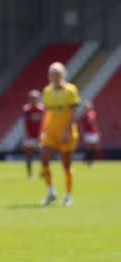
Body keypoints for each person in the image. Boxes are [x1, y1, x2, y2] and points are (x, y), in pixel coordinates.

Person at [39, 62, 80, 206]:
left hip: (66, 133)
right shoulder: (47, 91)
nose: (54, 76)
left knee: (66, 165)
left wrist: (67, 132)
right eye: (51, 73)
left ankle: (68, 195)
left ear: (63, 74)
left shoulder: (71, 90)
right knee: (44, 158)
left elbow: (73, 113)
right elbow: (46, 114)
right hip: (51, 132)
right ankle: (51, 192)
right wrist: (42, 132)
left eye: (57, 73)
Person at [21, 90, 44, 179]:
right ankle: (30, 174)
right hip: (30, 136)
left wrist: (41, 135)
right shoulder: (26, 109)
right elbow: (24, 123)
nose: (33, 99)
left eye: (35, 98)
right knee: (29, 155)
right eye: (31, 98)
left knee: (44, 155)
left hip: (40, 136)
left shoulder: (42, 109)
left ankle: (43, 172)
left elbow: (44, 123)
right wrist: (26, 135)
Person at [80, 100, 101, 166]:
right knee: (88, 148)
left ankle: (86, 159)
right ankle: (89, 161)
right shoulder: (84, 115)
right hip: (88, 133)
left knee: (95, 148)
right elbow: (83, 124)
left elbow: (95, 123)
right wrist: (82, 133)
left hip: (94, 132)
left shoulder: (93, 113)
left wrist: (98, 130)